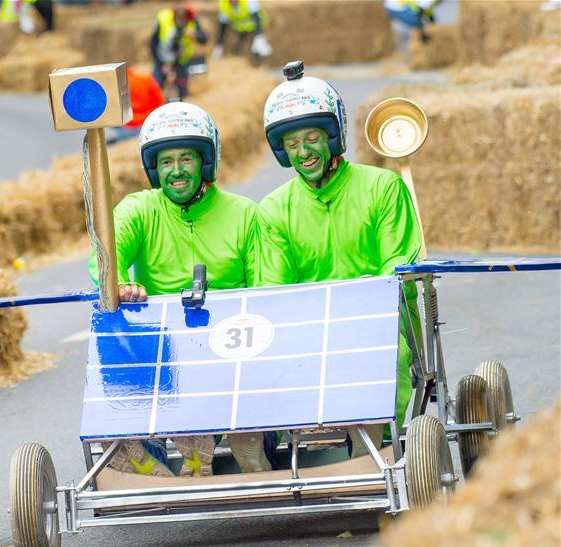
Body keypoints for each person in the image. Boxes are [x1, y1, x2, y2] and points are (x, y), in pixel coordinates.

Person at [89, 101, 274, 477]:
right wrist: (120, 283)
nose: (176, 171)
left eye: (186, 159)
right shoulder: (139, 209)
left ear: (205, 162)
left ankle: (244, 440)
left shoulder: (245, 214)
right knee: (114, 326)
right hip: (164, 352)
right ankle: (144, 445)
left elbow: (269, 288)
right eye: (166, 161)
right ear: (153, 168)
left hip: (233, 346)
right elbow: (105, 254)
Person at [257, 61, 423, 456]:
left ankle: (374, 451)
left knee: (388, 353)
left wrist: (359, 319)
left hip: (380, 326)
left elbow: (397, 266)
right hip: (309, 331)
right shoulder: (273, 209)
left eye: (312, 137)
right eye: (293, 143)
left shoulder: (382, 186)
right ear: (282, 151)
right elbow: (273, 289)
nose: (304, 151)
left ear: (333, 135)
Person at [149, 1, 206, 99]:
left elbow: (204, 39)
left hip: (182, 58)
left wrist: (195, 34)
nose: (181, 22)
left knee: (182, 86)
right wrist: (163, 64)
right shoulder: (165, 21)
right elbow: (154, 43)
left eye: (183, 19)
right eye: (179, 19)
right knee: (157, 84)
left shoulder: (192, 21)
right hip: (163, 56)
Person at [105, 66, 165, 145]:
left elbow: (111, 111)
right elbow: (160, 101)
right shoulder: (146, 79)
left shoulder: (115, 86)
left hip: (127, 127)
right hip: (148, 123)